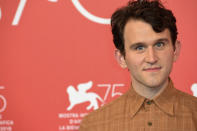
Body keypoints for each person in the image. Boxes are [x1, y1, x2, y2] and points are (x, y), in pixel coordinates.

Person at [79, 0, 197, 130]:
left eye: (159, 45)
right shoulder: (94, 125)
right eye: (139, 47)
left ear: (175, 50)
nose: (151, 58)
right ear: (121, 58)